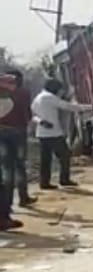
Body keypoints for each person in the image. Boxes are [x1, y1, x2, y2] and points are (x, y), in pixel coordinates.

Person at [31, 79, 93, 189]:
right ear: (53, 88)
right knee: (65, 156)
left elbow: (32, 115)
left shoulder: (37, 98)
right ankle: (64, 179)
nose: (60, 92)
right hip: (54, 133)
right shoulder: (49, 97)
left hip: (41, 134)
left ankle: (44, 183)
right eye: (59, 89)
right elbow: (68, 107)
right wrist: (90, 107)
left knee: (45, 160)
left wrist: (41, 122)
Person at [3, 71, 35, 208]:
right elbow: (27, 113)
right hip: (18, 131)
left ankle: (7, 204)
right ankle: (23, 197)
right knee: (19, 165)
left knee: (6, 168)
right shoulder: (23, 92)